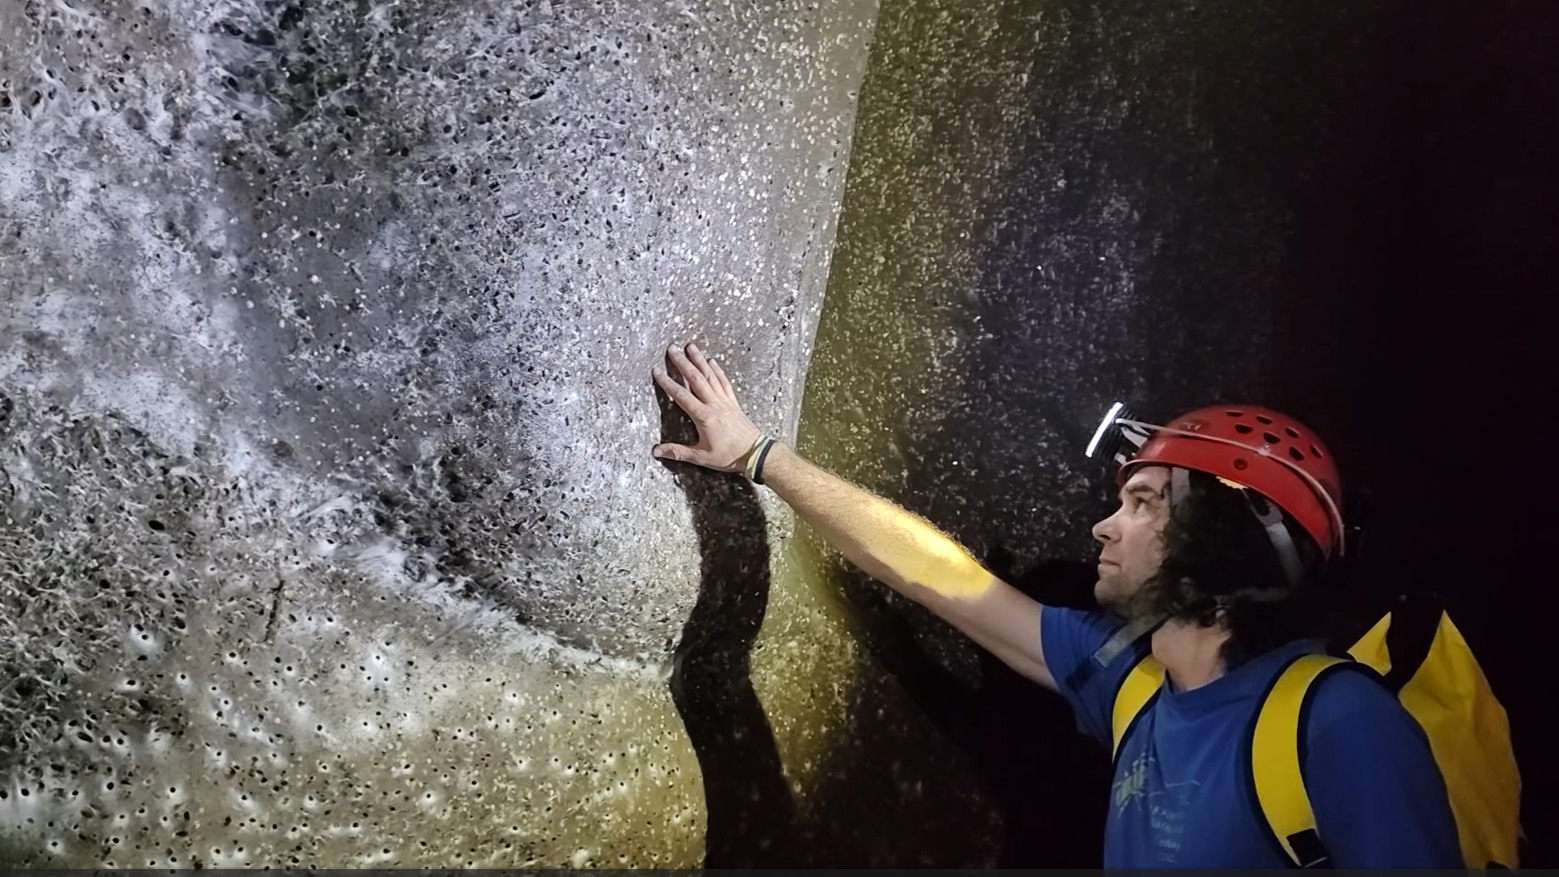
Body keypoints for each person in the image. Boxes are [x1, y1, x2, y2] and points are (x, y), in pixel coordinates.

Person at [650, 341, 1464, 868]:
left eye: (1145, 502)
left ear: (1226, 534)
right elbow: (942, 577)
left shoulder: (1336, 721)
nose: (1105, 525)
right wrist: (760, 457)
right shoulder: (1129, 680)